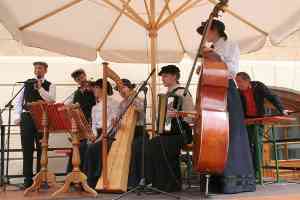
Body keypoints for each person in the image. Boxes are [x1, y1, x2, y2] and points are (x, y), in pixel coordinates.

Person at [196, 19, 256, 193]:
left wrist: (216, 58)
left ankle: (235, 181)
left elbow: (232, 70)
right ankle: (215, 180)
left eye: (206, 31)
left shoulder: (230, 45)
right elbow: (211, 71)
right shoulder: (212, 49)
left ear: (214, 30)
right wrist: (204, 67)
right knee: (217, 136)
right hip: (214, 92)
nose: (205, 36)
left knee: (232, 134)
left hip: (227, 90)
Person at [147, 65, 194, 192]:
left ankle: (169, 184)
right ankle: (159, 183)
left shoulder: (183, 92)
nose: (162, 78)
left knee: (157, 144)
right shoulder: (167, 94)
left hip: (182, 133)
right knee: (153, 143)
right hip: (169, 133)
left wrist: (178, 114)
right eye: (162, 76)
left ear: (174, 76)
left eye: (165, 75)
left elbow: (191, 116)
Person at [235, 72, 286, 179]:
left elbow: (272, 97)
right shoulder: (238, 92)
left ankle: (257, 173)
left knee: (257, 145)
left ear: (247, 80)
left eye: (239, 82)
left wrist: (282, 109)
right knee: (247, 146)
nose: (238, 84)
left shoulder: (258, 86)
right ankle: (249, 173)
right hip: (247, 121)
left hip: (259, 119)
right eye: (236, 82)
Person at [14, 61, 56, 188]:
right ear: (34, 70)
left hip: (43, 118)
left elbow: (51, 100)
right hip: (27, 117)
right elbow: (19, 101)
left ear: (45, 70)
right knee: (26, 148)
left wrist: (40, 88)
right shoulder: (27, 83)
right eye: (36, 68)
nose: (38, 70)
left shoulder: (51, 85)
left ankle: (41, 178)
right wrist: (17, 116)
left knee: (42, 148)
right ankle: (27, 179)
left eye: (40, 68)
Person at [83, 79, 119, 188]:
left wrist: (101, 137)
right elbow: (94, 125)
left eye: (96, 88)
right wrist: (93, 136)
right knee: (82, 146)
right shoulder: (95, 107)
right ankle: (82, 179)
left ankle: (92, 180)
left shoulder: (113, 103)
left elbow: (113, 124)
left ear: (103, 89)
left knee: (93, 148)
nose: (94, 90)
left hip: (109, 135)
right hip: (98, 134)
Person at [115, 79, 148, 188]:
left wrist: (131, 98)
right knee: (116, 147)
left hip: (139, 132)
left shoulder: (140, 100)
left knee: (135, 146)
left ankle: (136, 181)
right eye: (119, 89)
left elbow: (140, 111)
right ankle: (122, 181)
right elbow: (120, 121)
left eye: (123, 88)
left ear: (130, 89)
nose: (121, 91)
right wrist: (116, 123)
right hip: (125, 133)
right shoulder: (121, 104)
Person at [65, 69, 96, 172]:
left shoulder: (93, 88)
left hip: (91, 123)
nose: (81, 80)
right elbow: (72, 107)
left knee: (83, 147)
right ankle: (73, 174)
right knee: (76, 146)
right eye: (78, 79)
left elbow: (97, 102)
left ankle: (84, 174)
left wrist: (92, 89)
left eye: (82, 78)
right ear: (76, 81)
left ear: (85, 76)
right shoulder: (77, 92)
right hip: (80, 124)